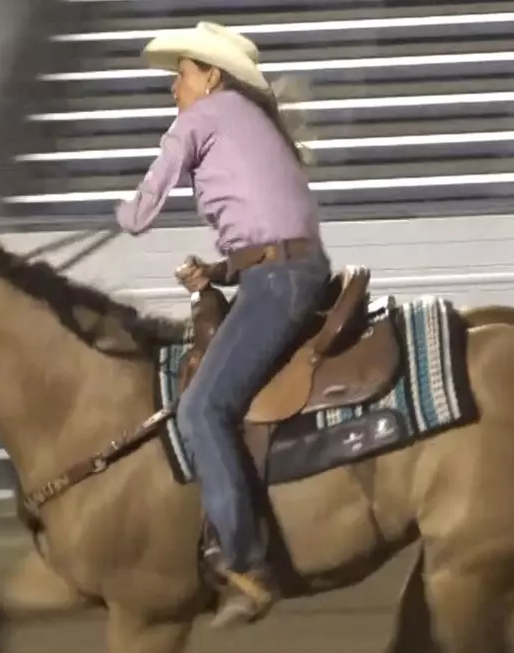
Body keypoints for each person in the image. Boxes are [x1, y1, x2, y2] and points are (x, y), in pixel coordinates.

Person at [115, 21, 331, 629]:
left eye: (181, 74)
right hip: (290, 270)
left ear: (210, 76)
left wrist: (121, 215)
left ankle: (246, 563)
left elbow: (146, 203)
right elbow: (267, 229)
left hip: (279, 280)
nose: (174, 88)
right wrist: (218, 268)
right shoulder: (253, 121)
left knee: (201, 409)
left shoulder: (202, 118)